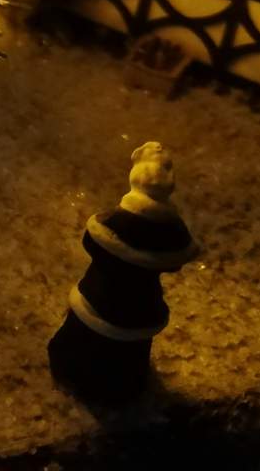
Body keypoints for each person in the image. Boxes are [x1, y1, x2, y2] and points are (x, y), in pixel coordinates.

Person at [47, 142, 199, 404]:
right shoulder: (171, 227)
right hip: (141, 302)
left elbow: (90, 241)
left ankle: (76, 374)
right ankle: (122, 385)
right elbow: (178, 258)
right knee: (128, 348)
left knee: (86, 340)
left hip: (101, 293)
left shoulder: (117, 220)